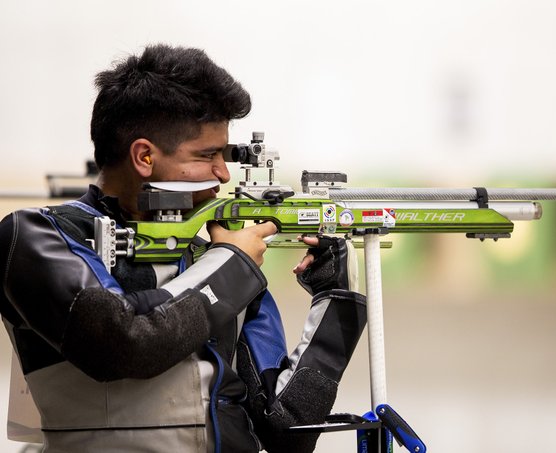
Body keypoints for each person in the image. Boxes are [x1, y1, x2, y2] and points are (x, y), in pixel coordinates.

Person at [0, 44, 366, 453]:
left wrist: (334, 302)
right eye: (207, 155)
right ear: (144, 156)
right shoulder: (35, 235)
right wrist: (231, 264)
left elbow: (285, 431)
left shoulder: (221, 257)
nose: (223, 174)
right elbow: (122, 344)